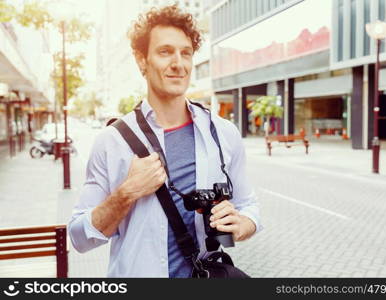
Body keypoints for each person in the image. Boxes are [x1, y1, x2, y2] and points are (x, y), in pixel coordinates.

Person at [68, 5, 261, 278]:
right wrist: (126, 193)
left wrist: (242, 224)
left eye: (186, 53)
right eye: (165, 51)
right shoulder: (111, 142)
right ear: (141, 60)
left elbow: (249, 206)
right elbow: (79, 238)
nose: (178, 64)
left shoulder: (223, 132)